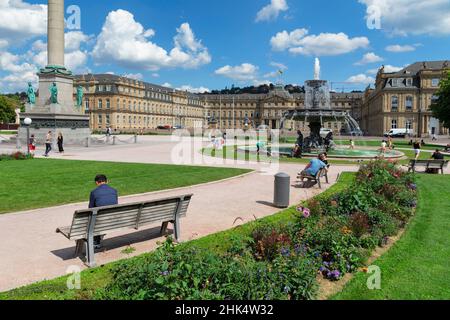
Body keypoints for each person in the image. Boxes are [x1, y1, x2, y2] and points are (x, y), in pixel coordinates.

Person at [89, 175, 119, 248]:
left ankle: (96, 242)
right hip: (113, 218)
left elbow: (90, 208)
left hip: (101, 221)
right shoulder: (114, 190)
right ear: (107, 181)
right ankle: (99, 236)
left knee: (93, 218)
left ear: (96, 182)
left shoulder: (94, 192)